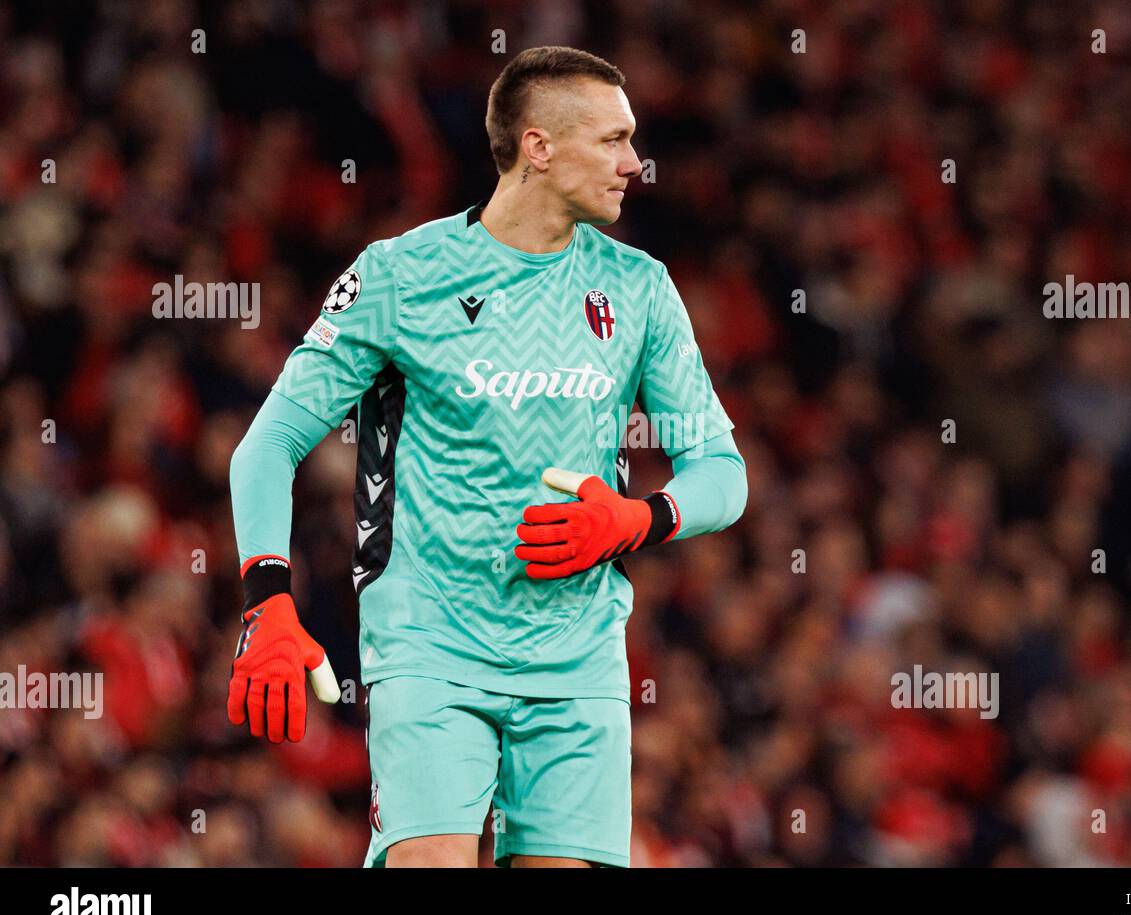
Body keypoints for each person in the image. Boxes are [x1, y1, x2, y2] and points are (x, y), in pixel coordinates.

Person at [226, 46, 747, 868]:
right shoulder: (401, 276)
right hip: (431, 644)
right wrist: (267, 601)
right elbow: (268, 446)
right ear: (538, 146)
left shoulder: (640, 288)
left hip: (577, 660)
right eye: (612, 140)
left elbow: (724, 472)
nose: (632, 162)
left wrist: (639, 519)